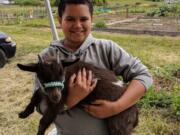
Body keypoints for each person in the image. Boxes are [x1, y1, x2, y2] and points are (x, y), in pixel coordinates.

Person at [34, 0, 153, 135]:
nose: (77, 25)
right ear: (60, 20)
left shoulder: (106, 48)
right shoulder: (47, 57)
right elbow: (40, 106)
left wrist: (115, 107)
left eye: (84, 19)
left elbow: (144, 76)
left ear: (92, 20)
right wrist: (70, 100)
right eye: (70, 19)